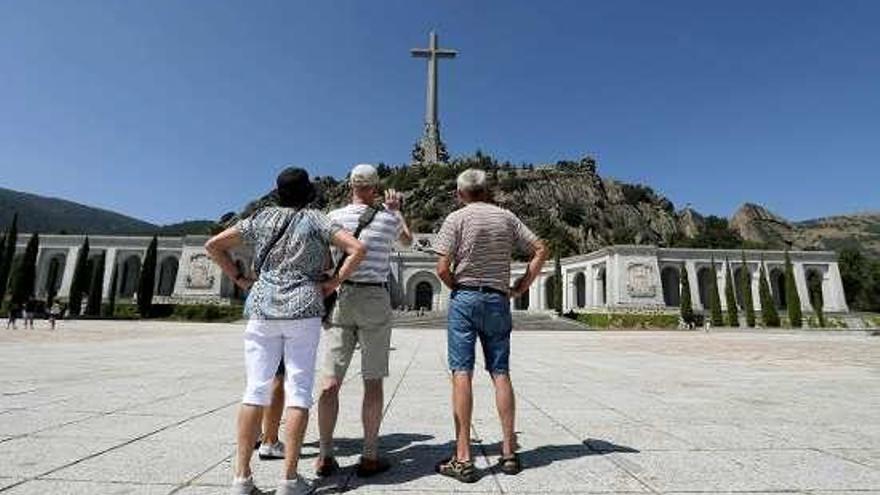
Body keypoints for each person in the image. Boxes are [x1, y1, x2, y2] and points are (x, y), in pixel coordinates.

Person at [205, 167, 366, 495]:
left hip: (262, 308)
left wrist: (240, 280)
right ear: (308, 193)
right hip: (303, 310)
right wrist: (334, 281)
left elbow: (213, 245)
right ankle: (290, 480)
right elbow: (356, 249)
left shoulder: (260, 219)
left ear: (278, 193)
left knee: (255, 390)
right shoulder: (317, 220)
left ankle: (241, 478)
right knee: (299, 391)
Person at [433, 168, 548, 483]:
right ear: (488, 191)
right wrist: (523, 284)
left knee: (461, 373)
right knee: (500, 373)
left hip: (466, 299)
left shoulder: (455, 219)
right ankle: (509, 453)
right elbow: (540, 248)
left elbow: (441, 267)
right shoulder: (507, 218)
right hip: (498, 300)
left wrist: (458, 285)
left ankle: (464, 458)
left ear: (460, 194)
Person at [316, 164, 413, 478]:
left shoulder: (331, 217)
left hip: (342, 296)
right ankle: (370, 455)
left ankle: (325, 455)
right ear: (375, 188)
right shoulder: (387, 218)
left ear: (350, 186)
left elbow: (324, 259)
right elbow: (408, 242)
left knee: (331, 380)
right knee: (373, 381)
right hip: (374, 298)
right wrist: (397, 210)